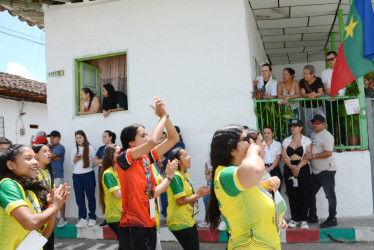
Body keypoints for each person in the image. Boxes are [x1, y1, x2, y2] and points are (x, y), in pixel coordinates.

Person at [206, 125, 285, 250]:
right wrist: (253, 150)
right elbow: (253, 170)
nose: (251, 141)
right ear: (232, 150)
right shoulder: (224, 173)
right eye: (246, 138)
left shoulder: (236, 173)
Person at [116, 97, 180, 250]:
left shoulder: (145, 158)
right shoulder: (124, 157)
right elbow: (152, 142)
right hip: (134, 224)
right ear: (131, 143)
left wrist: (167, 116)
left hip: (150, 222)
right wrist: (162, 116)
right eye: (142, 135)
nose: (147, 137)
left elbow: (173, 139)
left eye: (146, 134)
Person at [0, 145, 70, 249]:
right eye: (28, 158)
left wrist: (54, 206)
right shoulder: (7, 184)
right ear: (11, 165)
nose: (35, 162)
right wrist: (54, 206)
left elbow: (43, 236)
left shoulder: (31, 190)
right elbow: (30, 222)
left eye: (35, 158)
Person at [166, 148, 210, 250]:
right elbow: (180, 201)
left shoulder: (185, 175)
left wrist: (203, 191)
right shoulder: (176, 176)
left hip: (188, 218)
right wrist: (199, 195)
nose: (189, 157)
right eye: (185, 155)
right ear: (178, 161)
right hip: (179, 220)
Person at [308, 114, 338, 228]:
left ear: (323, 124)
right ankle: (313, 216)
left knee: (330, 195)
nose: (314, 125)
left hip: (326, 170)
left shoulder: (327, 136)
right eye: (313, 123)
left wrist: (313, 156)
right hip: (316, 171)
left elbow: (328, 152)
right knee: (310, 193)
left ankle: (332, 218)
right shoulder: (313, 134)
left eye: (317, 123)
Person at [282, 120, 312, 230]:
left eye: (295, 126)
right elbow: (284, 156)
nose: (293, 128)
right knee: (291, 193)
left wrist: (298, 167)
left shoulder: (306, 140)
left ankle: (303, 219)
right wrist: (291, 167)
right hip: (290, 167)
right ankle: (294, 218)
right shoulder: (286, 140)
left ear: (301, 128)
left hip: (302, 167)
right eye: (291, 126)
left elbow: (308, 155)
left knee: (303, 193)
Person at [71, 130, 97, 227]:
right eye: (77, 138)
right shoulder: (74, 148)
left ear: (84, 137)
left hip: (88, 174)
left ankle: (92, 218)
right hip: (76, 175)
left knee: (90, 196)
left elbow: (95, 161)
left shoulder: (90, 148)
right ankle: (82, 218)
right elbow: (72, 162)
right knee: (79, 198)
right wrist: (76, 159)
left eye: (80, 137)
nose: (78, 139)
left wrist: (88, 164)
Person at [98, 144, 122, 248]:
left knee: (125, 244)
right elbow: (118, 195)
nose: (121, 154)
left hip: (121, 214)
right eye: (118, 152)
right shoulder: (108, 173)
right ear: (111, 156)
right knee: (125, 243)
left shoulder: (117, 170)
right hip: (115, 215)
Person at [32, 143, 55, 250]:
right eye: (44, 151)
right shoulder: (33, 173)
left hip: (49, 211)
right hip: (39, 212)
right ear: (36, 155)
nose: (48, 154)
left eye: (49, 151)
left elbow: (51, 189)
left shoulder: (49, 171)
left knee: (49, 243)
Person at [322, 51, 347, 146]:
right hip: (329, 101)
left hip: (340, 100)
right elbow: (324, 87)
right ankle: (333, 144)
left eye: (332, 59)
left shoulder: (343, 70)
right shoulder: (324, 73)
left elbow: (345, 86)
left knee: (341, 122)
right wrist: (330, 92)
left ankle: (343, 143)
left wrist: (337, 93)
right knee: (331, 123)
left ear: (337, 58)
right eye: (328, 60)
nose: (330, 61)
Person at [47, 130, 67, 228]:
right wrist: (53, 155)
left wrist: (52, 154)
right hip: (49, 176)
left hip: (58, 175)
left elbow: (53, 155)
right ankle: (53, 218)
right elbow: (53, 156)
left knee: (60, 197)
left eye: (53, 137)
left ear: (59, 138)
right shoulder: (49, 147)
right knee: (51, 197)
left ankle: (62, 218)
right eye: (50, 138)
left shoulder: (60, 147)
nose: (51, 140)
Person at [299, 65, 325, 137]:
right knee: (308, 125)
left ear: (313, 74)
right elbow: (303, 94)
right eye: (304, 73)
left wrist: (314, 95)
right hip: (306, 107)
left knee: (320, 121)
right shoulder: (302, 81)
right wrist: (310, 95)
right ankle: (310, 142)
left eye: (306, 73)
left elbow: (320, 93)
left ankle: (321, 139)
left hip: (318, 106)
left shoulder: (318, 80)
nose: (304, 75)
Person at [263, 126, 283, 191]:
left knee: (276, 190)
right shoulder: (261, 144)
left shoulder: (277, 144)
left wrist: (270, 168)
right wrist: (265, 169)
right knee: (266, 191)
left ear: (273, 134)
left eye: (268, 133)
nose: (266, 135)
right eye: (265, 133)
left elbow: (278, 158)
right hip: (264, 169)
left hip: (275, 168)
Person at [198, 157, 212, 228]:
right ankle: (207, 220)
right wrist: (207, 174)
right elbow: (206, 170)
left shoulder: (223, 155)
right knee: (206, 199)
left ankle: (222, 220)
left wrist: (210, 170)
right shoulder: (209, 158)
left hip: (220, 180)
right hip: (211, 181)